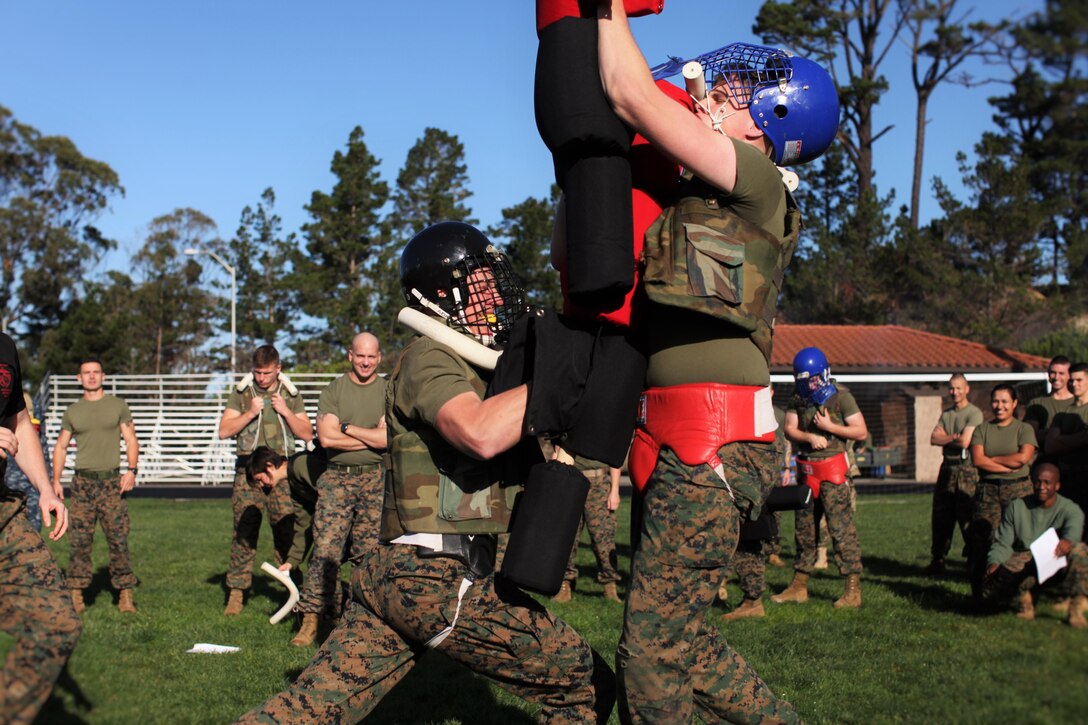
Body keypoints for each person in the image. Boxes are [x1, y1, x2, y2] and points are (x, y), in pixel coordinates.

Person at [238, 222, 615, 723]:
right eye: (482, 280)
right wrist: (567, 374)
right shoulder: (428, 356)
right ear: (443, 293)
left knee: (305, 712)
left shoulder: (477, 367)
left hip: (404, 576)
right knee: (586, 683)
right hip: (434, 577)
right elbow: (478, 432)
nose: (496, 293)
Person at [598, 2, 839, 720]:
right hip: (671, 441)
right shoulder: (693, 196)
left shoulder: (756, 179)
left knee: (648, 653)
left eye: (743, 91)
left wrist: (607, 9)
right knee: (686, 644)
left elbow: (631, 93)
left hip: (713, 443)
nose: (724, 91)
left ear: (771, 123)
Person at [0, 332, 82, 724]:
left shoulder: (5, 346)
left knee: (57, 624)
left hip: (3, 510)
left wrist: (46, 488)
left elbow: (17, 419)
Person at [292, 332, 388, 647]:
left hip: (374, 480)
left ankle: (359, 622)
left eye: (371, 356)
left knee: (367, 556)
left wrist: (345, 426)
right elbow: (328, 439)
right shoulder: (334, 390)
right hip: (336, 479)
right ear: (350, 355)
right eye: (360, 355)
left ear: (379, 358)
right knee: (324, 551)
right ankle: (310, 621)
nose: (365, 361)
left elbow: (386, 441)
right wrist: (367, 435)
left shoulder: (388, 390)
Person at [218, 344, 313, 616]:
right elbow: (224, 431)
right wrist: (249, 413)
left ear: (278, 369)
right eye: (257, 372)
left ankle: (293, 592)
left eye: (267, 373)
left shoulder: (290, 395)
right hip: (248, 474)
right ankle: (236, 593)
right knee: (244, 533)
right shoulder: (242, 394)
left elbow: (306, 433)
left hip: (281, 473)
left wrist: (286, 412)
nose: (261, 378)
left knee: (287, 531)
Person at [773, 348, 868, 609]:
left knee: (841, 530)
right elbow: (790, 428)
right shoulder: (798, 398)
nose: (809, 385)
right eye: (804, 380)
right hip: (807, 473)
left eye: (813, 379)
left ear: (824, 374)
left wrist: (829, 428)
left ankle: (852, 589)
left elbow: (860, 431)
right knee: (804, 532)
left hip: (834, 474)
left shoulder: (841, 399)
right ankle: (799, 586)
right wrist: (810, 437)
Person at [51, 357, 140, 613]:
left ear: (103, 376)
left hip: (112, 483)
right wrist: (56, 481)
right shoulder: (73, 411)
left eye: (96, 372)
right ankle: (77, 594)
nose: (91, 376)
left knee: (118, 540)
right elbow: (60, 446)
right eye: (86, 373)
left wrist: (131, 471)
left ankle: (125, 594)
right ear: (79, 378)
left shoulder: (118, 406)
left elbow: (131, 439)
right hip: (82, 485)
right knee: (79, 541)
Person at [982, 463, 1086, 628]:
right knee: (989, 594)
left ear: (1057, 486)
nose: (1041, 487)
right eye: (1037, 482)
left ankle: (1076, 605)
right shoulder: (1016, 506)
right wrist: (994, 562)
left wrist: (1068, 541)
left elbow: (1073, 531)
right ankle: (1025, 598)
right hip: (1026, 558)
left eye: (1047, 483)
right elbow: (1003, 542)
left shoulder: (1071, 509)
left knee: (1080, 551)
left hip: (1055, 559)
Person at [967, 383, 1038, 599]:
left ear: (1015, 403)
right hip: (987, 492)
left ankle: (1020, 593)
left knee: (1020, 541)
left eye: (1005, 401)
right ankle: (981, 594)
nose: (1000, 406)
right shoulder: (982, 429)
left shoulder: (1023, 429)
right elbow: (978, 460)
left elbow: (1023, 458)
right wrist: (1008, 465)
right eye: (996, 401)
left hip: (1019, 490)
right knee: (982, 540)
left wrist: (993, 460)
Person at [721, 406, 792, 620]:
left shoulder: (761, 419)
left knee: (748, 545)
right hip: (739, 487)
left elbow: (773, 452)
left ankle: (752, 602)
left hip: (747, 491)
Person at [926, 373, 984, 574]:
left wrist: (947, 438)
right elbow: (933, 438)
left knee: (967, 515)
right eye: (951, 388)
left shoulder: (974, 413)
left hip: (966, 470)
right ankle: (938, 558)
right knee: (941, 516)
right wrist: (954, 437)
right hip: (947, 468)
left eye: (959, 388)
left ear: (967, 389)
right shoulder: (947, 413)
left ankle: (974, 558)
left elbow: (965, 442)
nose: (955, 392)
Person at [244, 446, 328, 580]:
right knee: (318, 565)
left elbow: (334, 493)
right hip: (342, 522)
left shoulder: (301, 465)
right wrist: (291, 561)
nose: (261, 485)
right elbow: (303, 523)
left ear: (270, 466)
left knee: (321, 563)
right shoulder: (294, 482)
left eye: (260, 479)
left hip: (359, 515)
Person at [554, 459, 623, 603]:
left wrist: (614, 490)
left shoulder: (606, 434)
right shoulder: (569, 434)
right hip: (572, 482)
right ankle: (565, 584)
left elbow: (616, 459)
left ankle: (610, 586)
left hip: (599, 484)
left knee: (603, 538)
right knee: (568, 537)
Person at [1044, 362, 1088, 525]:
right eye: (1072, 380)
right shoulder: (1062, 414)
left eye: (1079, 380)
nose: (1074, 384)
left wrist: (1062, 439)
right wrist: (1081, 437)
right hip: (1067, 478)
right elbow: (1050, 446)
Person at [1023, 355, 1073, 462]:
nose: (1056, 377)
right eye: (1053, 373)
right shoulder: (1036, 403)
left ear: (1069, 375)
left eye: (1061, 373)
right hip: (1047, 460)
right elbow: (1030, 435)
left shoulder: (1079, 403)